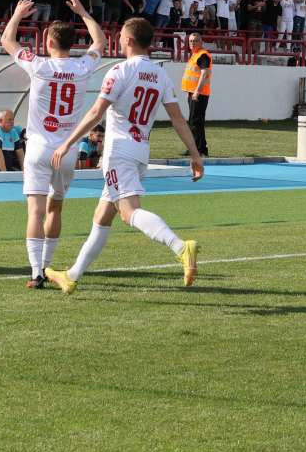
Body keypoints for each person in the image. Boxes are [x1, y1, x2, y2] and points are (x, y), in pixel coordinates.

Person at [44, 17, 205, 295]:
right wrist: (195, 155)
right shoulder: (160, 74)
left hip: (118, 151)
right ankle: (71, 275)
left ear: (129, 41)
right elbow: (178, 119)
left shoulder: (119, 71)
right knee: (103, 215)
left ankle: (180, 247)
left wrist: (67, 142)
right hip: (140, 149)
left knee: (128, 213)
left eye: (120, 35)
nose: (118, 39)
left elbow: (96, 113)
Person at [0, 0, 106, 288]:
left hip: (38, 146)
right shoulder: (82, 67)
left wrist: (18, 15)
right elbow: (100, 43)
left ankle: (35, 272)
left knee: (35, 209)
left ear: (48, 42)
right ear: (73, 44)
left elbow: (8, 42)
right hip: (68, 148)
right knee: (55, 207)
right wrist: (84, 12)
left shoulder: (40, 65)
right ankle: (47, 266)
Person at [180, 33, 212, 156]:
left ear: (201, 42)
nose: (193, 43)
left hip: (199, 94)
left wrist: (197, 92)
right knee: (194, 121)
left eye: (195, 41)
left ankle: (199, 149)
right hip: (193, 93)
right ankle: (198, 148)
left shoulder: (202, 55)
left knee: (196, 121)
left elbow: (204, 74)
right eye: (191, 41)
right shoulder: (195, 55)